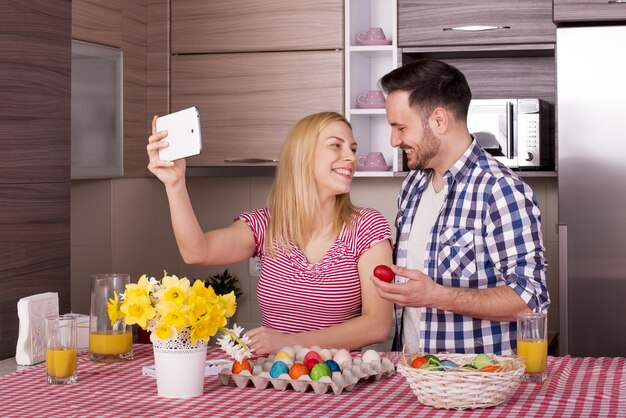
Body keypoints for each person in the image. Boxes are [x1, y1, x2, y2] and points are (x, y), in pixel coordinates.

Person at [147, 111, 393, 355]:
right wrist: (175, 184)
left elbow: (377, 325)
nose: (351, 157)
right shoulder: (265, 225)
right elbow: (196, 252)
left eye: (352, 148)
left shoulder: (367, 227)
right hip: (275, 380)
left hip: (341, 381)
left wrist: (290, 343)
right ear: (302, 155)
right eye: (336, 146)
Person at [371, 59, 550, 355]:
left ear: (439, 120)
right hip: (415, 377)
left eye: (401, 127)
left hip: (477, 384)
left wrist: (436, 295)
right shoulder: (412, 186)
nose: (394, 140)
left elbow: (530, 299)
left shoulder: (500, 190)